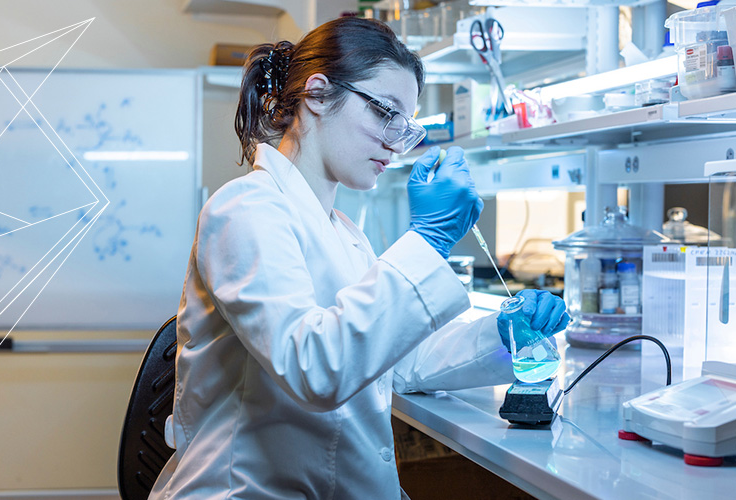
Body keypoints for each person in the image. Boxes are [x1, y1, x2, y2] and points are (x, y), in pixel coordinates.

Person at [148, 17, 569, 500]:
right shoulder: (244, 209)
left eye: (406, 127)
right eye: (384, 113)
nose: (395, 142)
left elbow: (401, 362)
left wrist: (498, 335)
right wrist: (428, 240)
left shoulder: (344, 233)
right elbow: (313, 368)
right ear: (319, 94)